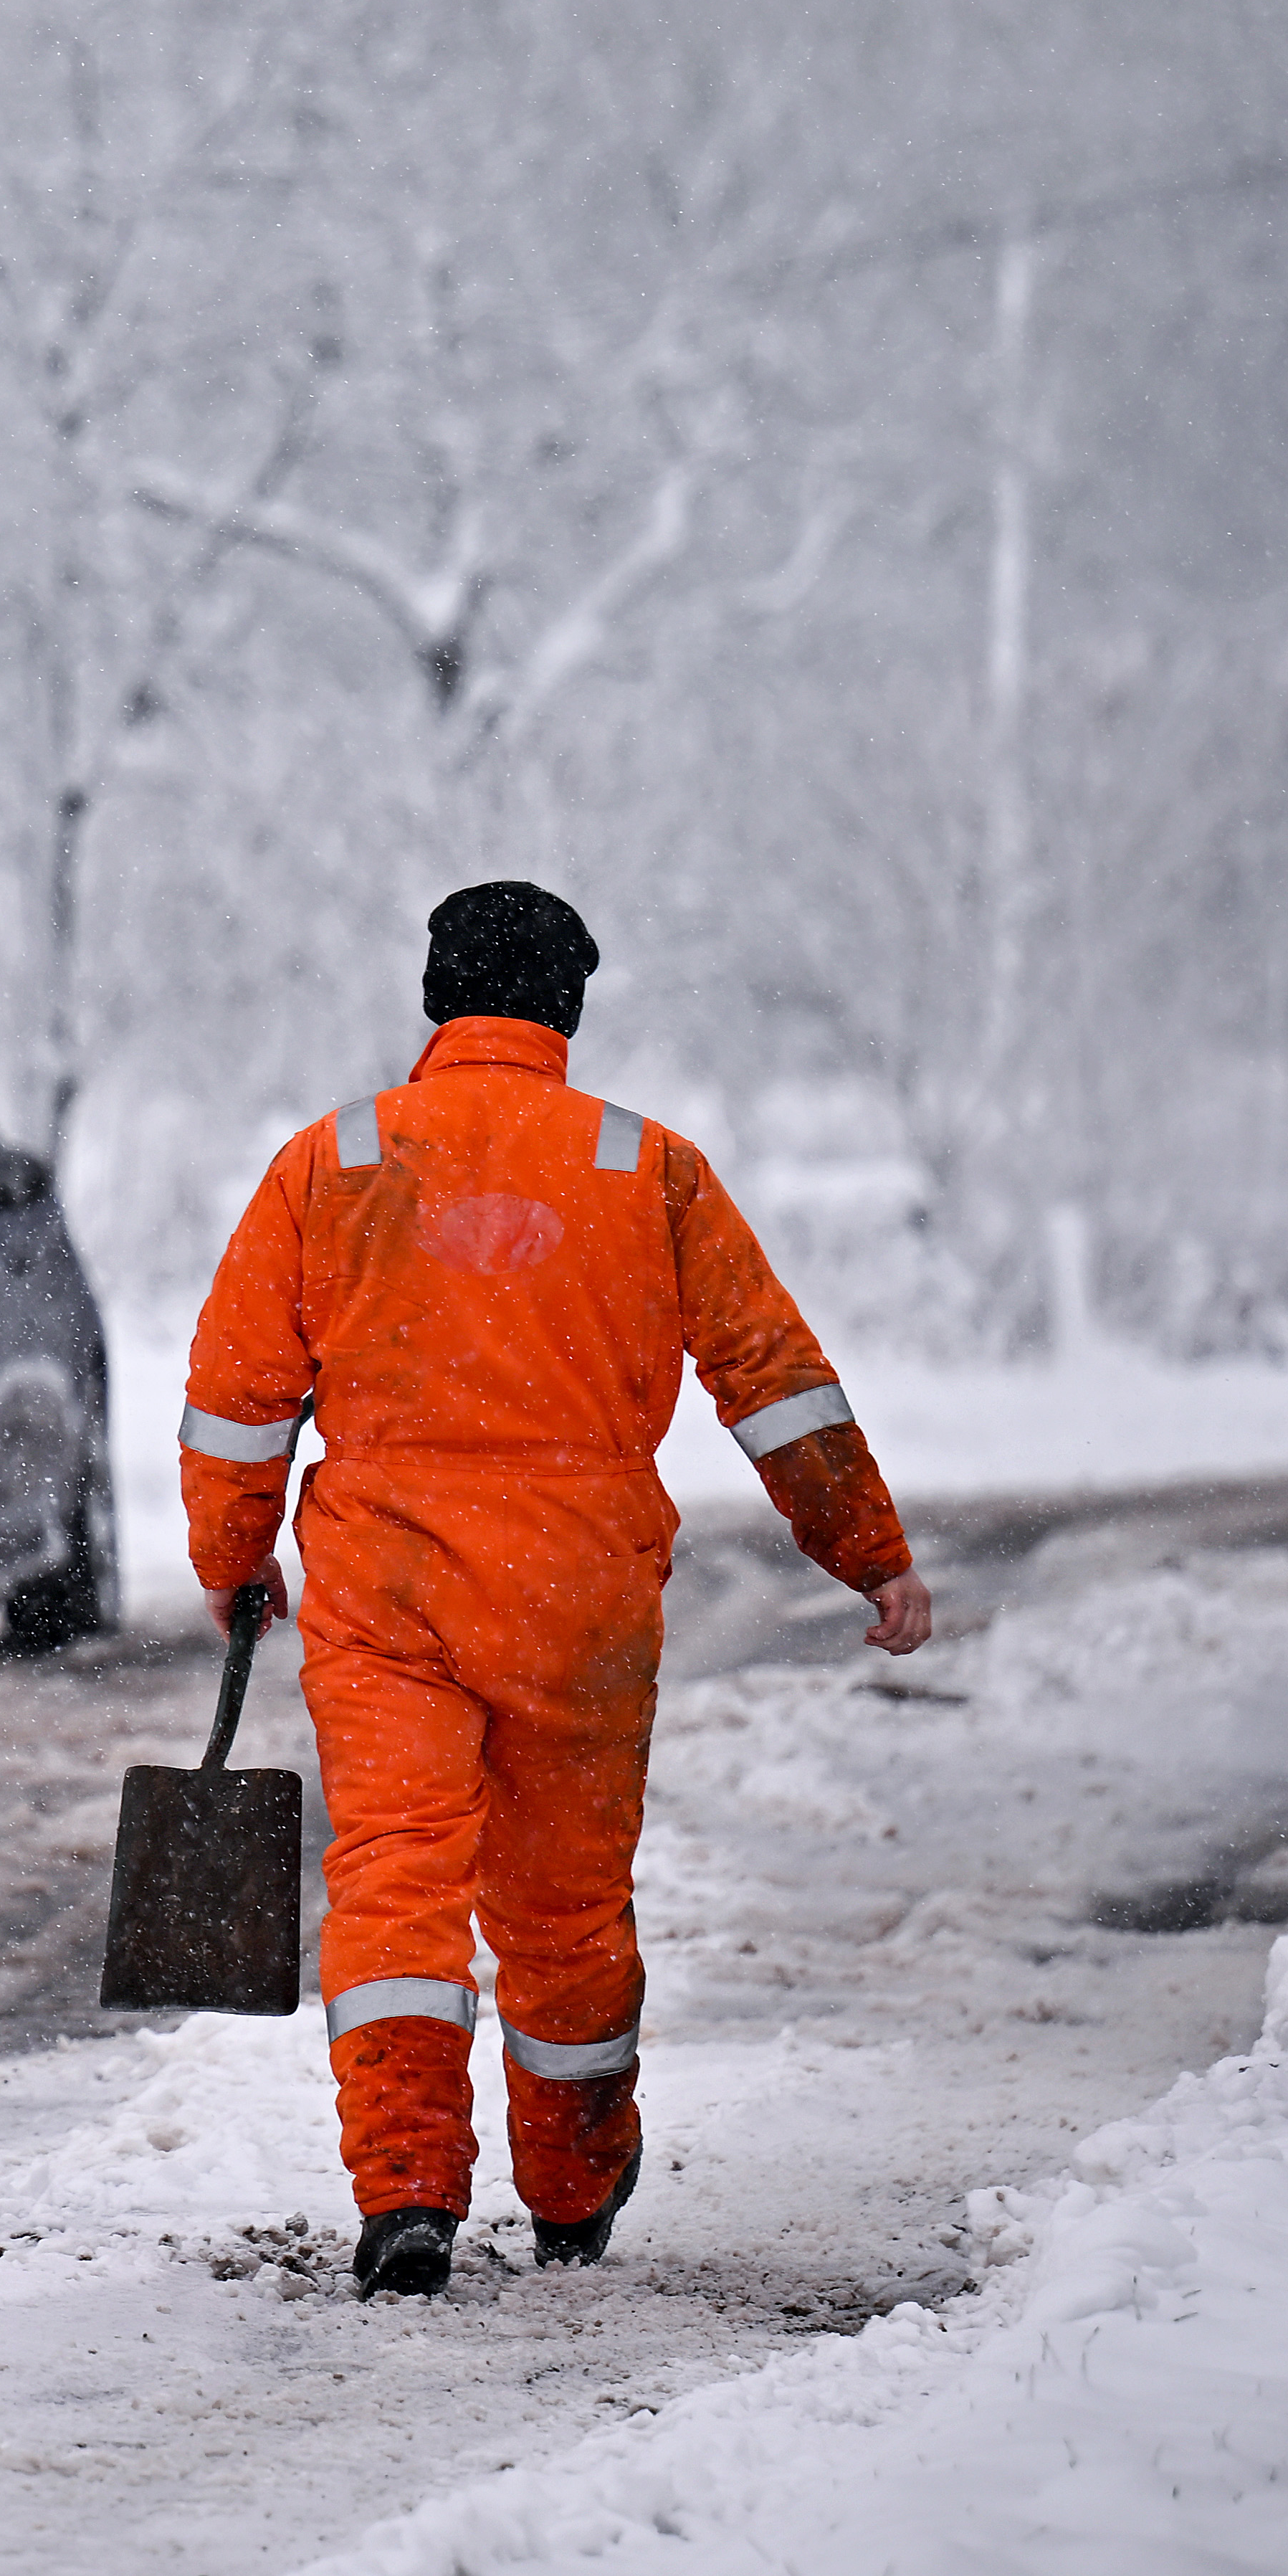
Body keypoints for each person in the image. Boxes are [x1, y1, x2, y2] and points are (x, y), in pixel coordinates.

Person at [178, 882, 930, 2301]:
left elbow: (235, 1398)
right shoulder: (650, 1169)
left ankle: (404, 2183)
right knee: (567, 1911)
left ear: (435, 998)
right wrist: (868, 1551)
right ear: (569, 1007)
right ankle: (574, 2184)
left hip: (385, 1590)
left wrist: (233, 1558)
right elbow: (775, 1381)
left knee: (395, 1874)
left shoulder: (329, 1161)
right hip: (577, 1596)